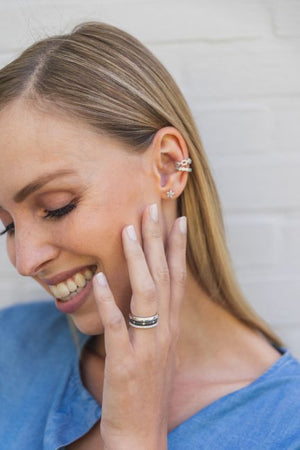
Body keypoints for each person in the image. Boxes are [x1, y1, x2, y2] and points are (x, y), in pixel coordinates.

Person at [0, 21, 299, 450]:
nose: (25, 260)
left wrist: (135, 439)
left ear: (166, 166)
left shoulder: (285, 429)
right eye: (8, 225)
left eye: (56, 205)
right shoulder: (10, 344)